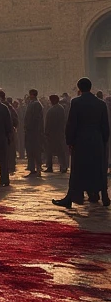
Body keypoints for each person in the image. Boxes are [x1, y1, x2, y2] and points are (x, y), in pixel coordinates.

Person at [53, 77, 110, 209]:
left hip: (81, 140)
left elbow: (72, 123)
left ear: (79, 88)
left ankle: (71, 197)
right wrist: (103, 141)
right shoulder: (101, 104)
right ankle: (103, 195)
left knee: (78, 169)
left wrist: (70, 141)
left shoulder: (76, 102)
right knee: (97, 169)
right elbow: (105, 126)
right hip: (97, 140)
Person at [44, 95, 68, 174]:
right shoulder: (61, 109)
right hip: (59, 133)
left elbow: (48, 123)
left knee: (51, 151)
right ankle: (63, 166)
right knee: (60, 151)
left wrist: (46, 132)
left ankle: (50, 166)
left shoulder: (52, 110)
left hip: (52, 133)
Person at [24, 89, 44, 177]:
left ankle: (36, 169)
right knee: (32, 150)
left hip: (33, 131)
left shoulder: (35, 104)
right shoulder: (35, 103)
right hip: (33, 131)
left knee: (34, 150)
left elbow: (34, 118)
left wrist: (29, 127)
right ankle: (34, 169)